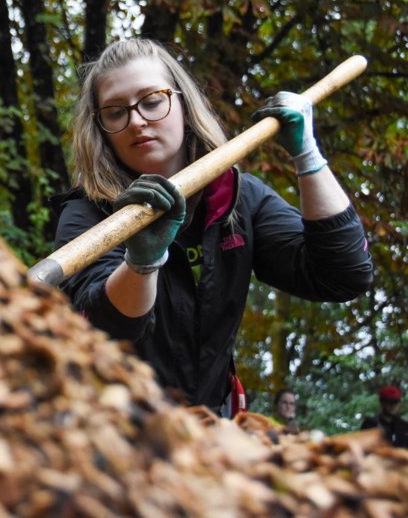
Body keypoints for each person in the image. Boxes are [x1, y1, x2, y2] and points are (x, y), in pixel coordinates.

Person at [53, 38, 374, 416]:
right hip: (118, 435)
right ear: (102, 128)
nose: (136, 120)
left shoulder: (239, 197)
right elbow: (105, 332)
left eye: (152, 101)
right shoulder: (87, 214)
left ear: (184, 105)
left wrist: (307, 154)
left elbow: (343, 274)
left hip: (214, 429)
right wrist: (141, 263)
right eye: (115, 112)